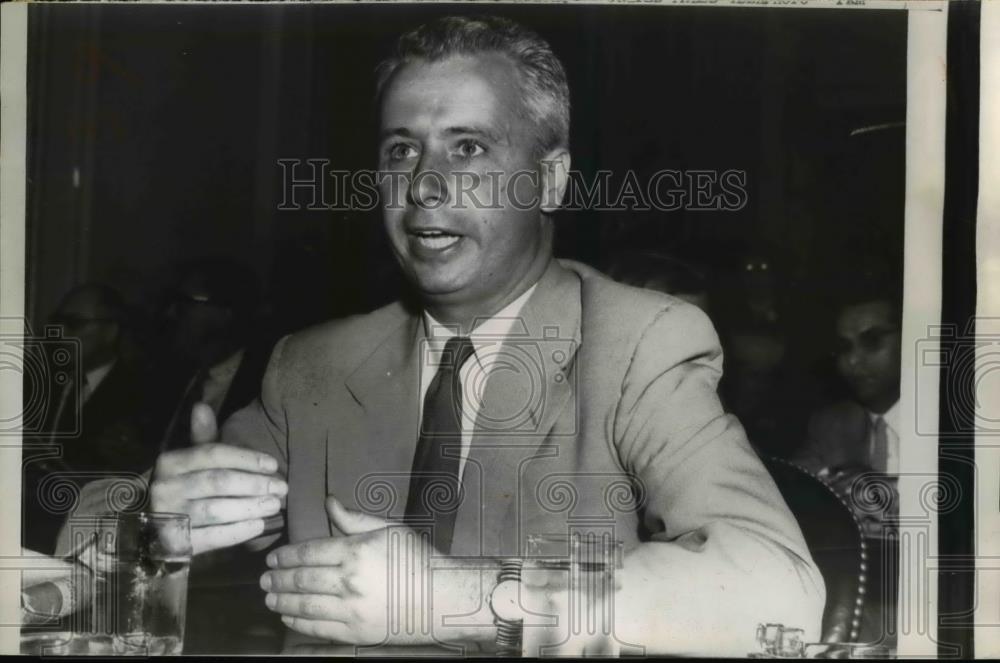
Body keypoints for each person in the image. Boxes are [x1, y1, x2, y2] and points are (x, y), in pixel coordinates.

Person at [64, 16, 824, 656]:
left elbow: (775, 589)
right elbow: (105, 534)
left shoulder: (639, 342)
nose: (424, 184)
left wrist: (460, 598)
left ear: (551, 180)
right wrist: (158, 520)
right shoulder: (313, 366)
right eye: (401, 151)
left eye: (468, 148)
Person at [22, 284, 154, 554]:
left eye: (74, 324)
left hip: (88, 545)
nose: (60, 333)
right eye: (57, 322)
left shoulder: (144, 394)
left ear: (110, 332)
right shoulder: (41, 384)